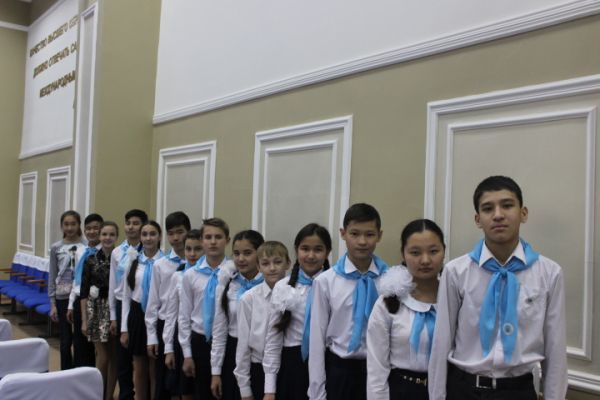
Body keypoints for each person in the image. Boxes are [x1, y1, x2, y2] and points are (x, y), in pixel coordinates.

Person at [428, 175, 567, 400]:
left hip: (519, 391)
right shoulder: (456, 272)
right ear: (478, 219)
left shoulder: (549, 273)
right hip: (463, 389)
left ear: (523, 213)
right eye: (487, 208)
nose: (498, 215)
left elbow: (555, 348)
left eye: (507, 205)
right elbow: (441, 341)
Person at [308, 203, 389, 400]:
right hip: (340, 370)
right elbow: (316, 340)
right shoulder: (325, 281)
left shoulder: (390, 280)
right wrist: (317, 393)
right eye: (354, 234)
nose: (362, 241)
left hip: (380, 370)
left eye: (369, 234)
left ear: (379, 235)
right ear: (343, 233)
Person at [366, 219, 445, 400]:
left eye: (433, 251)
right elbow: (377, 368)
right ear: (403, 253)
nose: (425, 260)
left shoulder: (455, 298)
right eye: (415, 252)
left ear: (444, 251)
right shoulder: (388, 302)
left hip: (448, 389)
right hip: (401, 390)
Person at [263, 224, 332, 400]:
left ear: (328, 252)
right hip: (292, 366)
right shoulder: (283, 287)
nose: (311, 255)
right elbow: (273, 339)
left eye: (318, 249)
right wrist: (269, 389)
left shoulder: (333, 285)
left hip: (328, 364)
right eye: (305, 249)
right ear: (296, 250)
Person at [180, 218, 233, 400]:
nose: (213, 242)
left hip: (227, 341)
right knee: (202, 393)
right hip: (199, 341)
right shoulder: (190, 275)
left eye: (218, 237)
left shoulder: (234, 272)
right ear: (202, 240)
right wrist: (187, 354)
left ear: (227, 240)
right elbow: (184, 315)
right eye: (208, 237)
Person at [211, 230, 265, 400]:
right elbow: (219, 329)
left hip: (260, 355)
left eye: (247, 253)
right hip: (232, 352)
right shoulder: (228, 284)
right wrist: (215, 371)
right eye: (236, 253)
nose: (241, 259)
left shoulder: (270, 285)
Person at [234, 241, 291, 400]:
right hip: (258, 368)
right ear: (258, 267)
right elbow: (243, 346)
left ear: (288, 263)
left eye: (278, 262)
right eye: (265, 264)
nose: (272, 268)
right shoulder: (248, 299)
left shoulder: (296, 295)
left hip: (290, 368)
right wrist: (244, 389)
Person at [146, 211, 191, 399]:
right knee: (165, 380)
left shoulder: (197, 263)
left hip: (189, 326)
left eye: (180, 232)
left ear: (188, 231)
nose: (176, 238)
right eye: (171, 233)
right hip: (166, 325)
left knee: (187, 381)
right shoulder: (161, 264)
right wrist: (151, 336)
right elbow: (153, 302)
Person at [121, 220, 165, 400]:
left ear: (160, 237)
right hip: (137, 314)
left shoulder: (165, 262)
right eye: (145, 234)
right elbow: (126, 296)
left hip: (157, 315)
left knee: (155, 368)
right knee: (139, 366)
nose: (148, 238)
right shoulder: (133, 261)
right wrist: (124, 328)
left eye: (152, 234)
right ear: (140, 237)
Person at [109, 209, 147, 400]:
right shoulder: (117, 252)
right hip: (120, 303)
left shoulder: (148, 251)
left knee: (141, 356)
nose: (131, 227)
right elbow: (112, 286)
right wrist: (113, 316)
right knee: (123, 356)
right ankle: (125, 394)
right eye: (128, 223)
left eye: (136, 223)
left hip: (140, 306)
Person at [80, 221, 120, 400]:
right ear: (99, 236)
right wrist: (84, 320)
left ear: (117, 237)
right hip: (96, 309)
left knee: (114, 357)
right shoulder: (90, 260)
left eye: (111, 234)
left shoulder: (121, 259)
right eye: (104, 234)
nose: (107, 238)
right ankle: (98, 394)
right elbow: (83, 292)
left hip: (115, 309)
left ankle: (109, 395)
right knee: (102, 357)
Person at [163, 229, 204, 400]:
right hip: (182, 337)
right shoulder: (178, 276)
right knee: (183, 389)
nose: (192, 254)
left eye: (198, 249)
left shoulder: (214, 275)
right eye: (188, 249)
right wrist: (168, 348)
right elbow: (171, 313)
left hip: (202, 337)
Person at [49, 210, 87, 370]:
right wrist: (53, 303)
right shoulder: (56, 247)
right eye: (66, 224)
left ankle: (79, 373)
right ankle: (65, 373)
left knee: (80, 341)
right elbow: (52, 275)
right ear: (61, 226)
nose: (70, 228)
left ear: (79, 225)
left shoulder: (86, 246)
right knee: (65, 342)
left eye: (73, 224)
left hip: (81, 298)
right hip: (62, 297)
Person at [70, 213, 103, 367]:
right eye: (88, 228)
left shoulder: (106, 252)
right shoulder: (80, 251)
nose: (92, 231)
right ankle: (79, 375)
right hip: (80, 300)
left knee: (98, 347)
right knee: (80, 344)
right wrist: (71, 304)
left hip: (98, 302)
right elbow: (75, 279)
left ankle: (94, 377)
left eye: (96, 228)